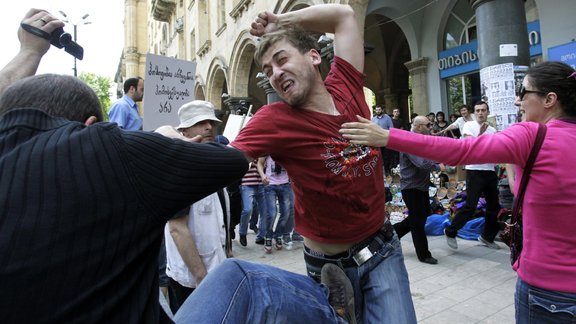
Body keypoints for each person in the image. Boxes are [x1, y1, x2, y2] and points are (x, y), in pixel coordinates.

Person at [0, 10, 250, 322]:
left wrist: (27, 51)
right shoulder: (108, 149)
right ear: (90, 125)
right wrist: (167, 138)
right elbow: (233, 162)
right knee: (248, 279)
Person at [340, 60, 576, 324]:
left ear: (549, 99)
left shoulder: (533, 135)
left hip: (548, 290)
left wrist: (388, 137)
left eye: (523, 92)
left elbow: (462, 151)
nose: (518, 101)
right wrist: (514, 160)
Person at [230, 4, 416, 323]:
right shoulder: (273, 119)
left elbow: (343, 15)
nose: (274, 73)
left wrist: (280, 20)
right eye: (267, 69)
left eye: (282, 59)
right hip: (330, 269)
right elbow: (226, 161)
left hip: (383, 247)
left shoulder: (345, 84)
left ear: (314, 56)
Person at [163, 100, 232, 311]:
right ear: (184, 130)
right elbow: (177, 229)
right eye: (200, 122)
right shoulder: (179, 171)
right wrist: (200, 277)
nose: (209, 127)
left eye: (211, 121)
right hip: (192, 281)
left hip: (215, 272)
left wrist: (228, 253)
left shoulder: (212, 164)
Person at [395, 116, 445, 264]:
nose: (431, 127)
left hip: (420, 186)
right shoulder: (410, 142)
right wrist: (438, 167)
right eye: (428, 125)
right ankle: (423, 254)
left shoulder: (420, 141)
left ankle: (392, 233)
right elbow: (422, 163)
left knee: (421, 215)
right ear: (418, 127)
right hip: (411, 187)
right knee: (417, 221)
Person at [257, 155, 295, 253]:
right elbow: (259, 163)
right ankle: (268, 236)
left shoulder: (285, 150)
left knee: (286, 213)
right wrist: (263, 176)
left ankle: (278, 234)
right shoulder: (268, 149)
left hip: (285, 184)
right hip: (270, 185)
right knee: (272, 213)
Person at [238, 159, 266, 247]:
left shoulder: (263, 152)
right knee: (247, 209)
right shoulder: (245, 150)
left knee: (265, 211)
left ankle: (261, 236)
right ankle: (242, 233)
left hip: (261, 185)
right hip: (247, 184)